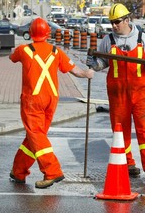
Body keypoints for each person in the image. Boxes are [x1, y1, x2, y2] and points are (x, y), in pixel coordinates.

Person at [9, 18, 94, 189]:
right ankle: (18, 171)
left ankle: (52, 171)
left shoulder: (24, 50)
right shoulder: (56, 51)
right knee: (35, 137)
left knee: (37, 136)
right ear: (48, 34)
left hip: (32, 100)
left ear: (31, 33)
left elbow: (12, 57)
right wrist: (86, 73)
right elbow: (75, 70)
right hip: (51, 100)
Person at [86, 3, 145, 180]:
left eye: (117, 21)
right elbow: (103, 63)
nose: (114, 25)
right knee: (120, 130)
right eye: (112, 22)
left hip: (140, 92)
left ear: (127, 19)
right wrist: (94, 65)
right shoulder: (108, 40)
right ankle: (128, 163)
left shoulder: (143, 38)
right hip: (118, 94)